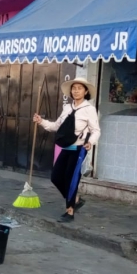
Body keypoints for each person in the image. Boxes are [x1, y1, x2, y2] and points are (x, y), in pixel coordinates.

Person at [33, 77, 100, 223]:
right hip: (66, 147)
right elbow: (57, 126)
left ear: (86, 91)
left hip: (79, 149)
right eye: (74, 88)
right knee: (55, 177)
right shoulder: (67, 108)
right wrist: (41, 121)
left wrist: (90, 142)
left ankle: (69, 211)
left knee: (71, 180)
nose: (76, 91)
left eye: (79, 88)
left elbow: (96, 130)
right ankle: (75, 199)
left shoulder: (89, 109)